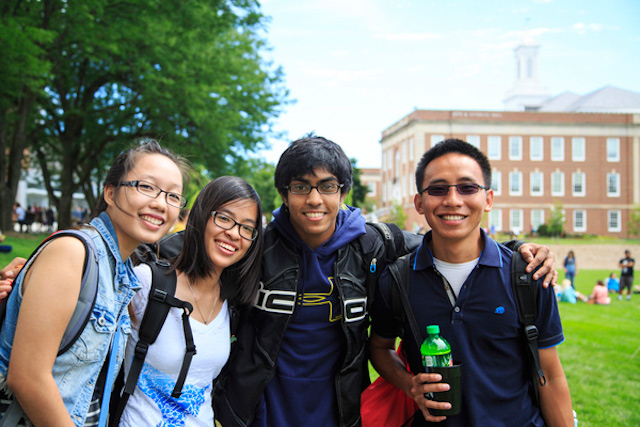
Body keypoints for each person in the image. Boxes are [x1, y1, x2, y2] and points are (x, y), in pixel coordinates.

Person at [211, 135, 559, 427]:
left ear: (343, 192)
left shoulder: (372, 243)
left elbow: (448, 239)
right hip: (262, 410)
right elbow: (197, 246)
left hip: (341, 409)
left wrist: (516, 250)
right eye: (301, 187)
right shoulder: (255, 246)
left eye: (327, 187)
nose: (315, 199)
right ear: (284, 194)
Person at [369, 139, 573, 426]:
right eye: (438, 189)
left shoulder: (528, 274)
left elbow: (550, 376)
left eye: (467, 188)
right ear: (419, 202)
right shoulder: (397, 280)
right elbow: (380, 347)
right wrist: (408, 384)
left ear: (488, 199)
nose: (453, 200)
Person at [0, 140, 189, 426]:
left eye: (173, 196)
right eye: (147, 187)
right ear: (110, 193)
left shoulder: (123, 274)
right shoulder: (73, 253)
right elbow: (27, 377)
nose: (161, 203)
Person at [119, 176, 263, 426]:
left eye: (247, 228)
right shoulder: (147, 283)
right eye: (225, 218)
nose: (233, 233)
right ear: (201, 217)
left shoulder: (233, 303)